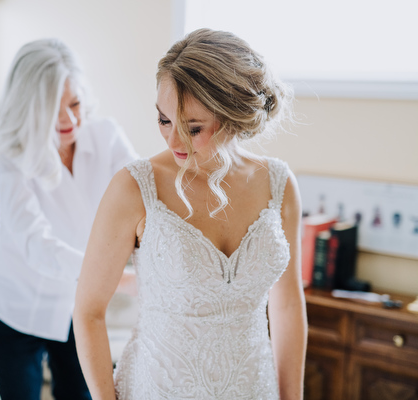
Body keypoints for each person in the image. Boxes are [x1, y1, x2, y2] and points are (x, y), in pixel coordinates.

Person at [73, 28, 307, 400]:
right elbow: (88, 311)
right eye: (164, 120)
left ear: (234, 116)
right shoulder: (135, 187)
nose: (173, 141)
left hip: (253, 388)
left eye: (192, 128)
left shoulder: (279, 184)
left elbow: (288, 304)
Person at [0, 38, 138, 400]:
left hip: (73, 303)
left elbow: (144, 195)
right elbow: (34, 240)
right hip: (12, 305)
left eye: (75, 103)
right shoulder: (9, 156)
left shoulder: (106, 136)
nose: (69, 119)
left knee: (80, 393)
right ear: (30, 107)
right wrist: (117, 277)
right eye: (54, 108)